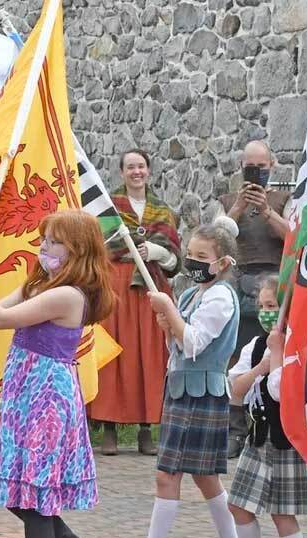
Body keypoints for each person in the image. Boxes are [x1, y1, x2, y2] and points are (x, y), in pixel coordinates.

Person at [0, 211, 117, 538]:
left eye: (53, 241)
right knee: (22, 490)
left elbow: (0, 318)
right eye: (43, 238)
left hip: (47, 396)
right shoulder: (42, 283)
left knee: (36, 493)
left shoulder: (68, 294)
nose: (43, 246)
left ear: (76, 248)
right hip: (24, 392)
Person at [116, 220, 243, 538]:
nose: (193, 261)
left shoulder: (220, 296)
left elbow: (193, 343)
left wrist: (169, 312)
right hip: (182, 389)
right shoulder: (192, 294)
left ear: (223, 263)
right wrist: (168, 319)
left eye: (202, 256)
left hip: (201, 392)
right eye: (190, 254)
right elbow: (177, 342)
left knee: (167, 474)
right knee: (205, 478)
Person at [222, 275, 307, 538]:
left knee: (282, 513)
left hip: (287, 442)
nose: (265, 313)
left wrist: (276, 353)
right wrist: (261, 365)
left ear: (287, 309)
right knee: (238, 506)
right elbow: (234, 391)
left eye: (272, 306)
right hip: (258, 437)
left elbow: (280, 392)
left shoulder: (302, 346)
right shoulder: (258, 344)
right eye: (262, 306)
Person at [88, 149, 180, 455]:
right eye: (130, 167)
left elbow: (173, 258)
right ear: (122, 172)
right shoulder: (108, 208)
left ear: (149, 171)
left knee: (150, 357)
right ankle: (109, 429)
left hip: (152, 288)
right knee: (115, 355)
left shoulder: (163, 211)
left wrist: (154, 251)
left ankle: (145, 430)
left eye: (141, 166)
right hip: (117, 286)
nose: (136, 172)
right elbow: (100, 246)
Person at [216, 141, 290, 459]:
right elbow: (216, 238)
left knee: (277, 357)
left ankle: (278, 425)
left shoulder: (285, 199)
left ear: (271, 166)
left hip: (274, 285)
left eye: (261, 167)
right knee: (236, 357)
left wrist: (268, 210)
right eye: (250, 167)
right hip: (239, 280)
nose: (256, 173)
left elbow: (293, 236)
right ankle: (236, 430)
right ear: (242, 167)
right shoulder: (227, 201)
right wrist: (238, 209)